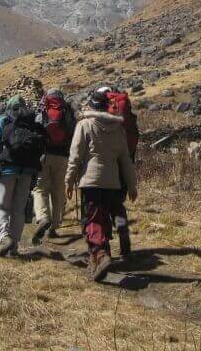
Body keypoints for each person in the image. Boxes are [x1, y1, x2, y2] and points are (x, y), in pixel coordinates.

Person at [65, 89, 137, 281]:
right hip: (112, 181)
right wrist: (132, 185)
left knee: (92, 220)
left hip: (91, 180)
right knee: (103, 218)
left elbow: (75, 156)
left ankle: (101, 254)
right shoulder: (118, 128)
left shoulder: (85, 125)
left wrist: (69, 180)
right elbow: (125, 160)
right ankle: (98, 259)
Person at [0, 95, 46, 257]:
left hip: (6, 170)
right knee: (18, 209)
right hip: (27, 171)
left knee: (1, 206)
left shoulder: (3, 121)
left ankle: (5, 236)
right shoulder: (32, 125)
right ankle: (14, 246)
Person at [31, 87, 77, 244]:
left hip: (44, 155)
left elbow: (36, 128)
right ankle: (54, 227)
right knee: (58, 191)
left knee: (40, 189)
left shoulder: (43, 108)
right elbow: (73, 132)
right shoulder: (67, 110)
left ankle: (43, 217)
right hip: (63, 156)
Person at [106, 87, 139, 257]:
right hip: (125, 167)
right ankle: (124, 237)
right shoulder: (128, 118)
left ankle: (104, 249)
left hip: (108, 168)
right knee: (118, 204)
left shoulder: (106, 113)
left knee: (102, 206)